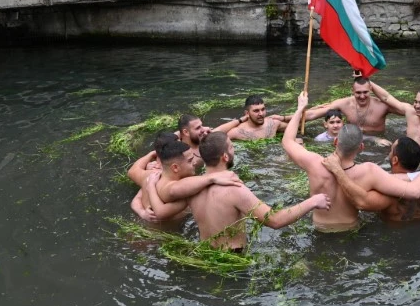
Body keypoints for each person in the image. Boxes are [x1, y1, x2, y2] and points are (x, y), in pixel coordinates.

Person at [285, 93, 420, 231]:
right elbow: (415, 191)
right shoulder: (369, 171)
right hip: (350, 231)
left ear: (335, 142)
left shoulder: (315, 163)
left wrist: (301, 108)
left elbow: (287, 141)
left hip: (320, 230)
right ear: (361, 147)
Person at [165, 131, 330, 251]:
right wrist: (313, 201)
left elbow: (162, 206)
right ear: (225, 157)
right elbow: (274, 221)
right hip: (232, 260)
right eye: (231, 147)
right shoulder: (234, 189)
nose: (233, 150)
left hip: (204, 253)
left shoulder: (189, 186)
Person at [323, 136, 420, 223]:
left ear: (395, 160)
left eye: (391, 150)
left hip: (391, 237)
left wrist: (337, 170)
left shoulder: (388, 194)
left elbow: (362, 202)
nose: (389, 153)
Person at [128, 138, 242, 226]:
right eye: (190, 161)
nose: (194, 163)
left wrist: (141, 212)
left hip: (139, 231)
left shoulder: (150, 176)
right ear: (175, 168)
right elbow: (163, 208)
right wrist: (213, 177)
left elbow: (132, 172)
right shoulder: (182, 188)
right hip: (159, 241)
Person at [304, 77, 393, 141]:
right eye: (358, 92)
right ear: (352, 91)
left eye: (365, 92)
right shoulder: (344, 103)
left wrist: (377, 139)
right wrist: (291, 118)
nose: (362, 96)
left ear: (371, 89)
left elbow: (405, 109)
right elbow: (313, 114)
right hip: (351, 140)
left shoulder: (383, 106)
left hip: (376, 139)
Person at [217, 95, 291, 141]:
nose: (261, 114)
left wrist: (284, 118)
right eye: (256, 111)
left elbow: (298, 127)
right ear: (247, 113)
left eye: (263, 109)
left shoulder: (273, 123)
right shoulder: (237, 132)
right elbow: (214, 138)